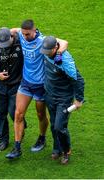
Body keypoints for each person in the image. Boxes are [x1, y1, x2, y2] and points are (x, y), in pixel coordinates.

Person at [6, 19, 68, 159]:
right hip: (26, 83)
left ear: (35, 31)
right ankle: (17, 148)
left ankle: (42, 138)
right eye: (24, 34)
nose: (25, 36)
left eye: (28, 34)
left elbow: (64, 43)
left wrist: (58, 54)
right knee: (18, 114)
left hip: (41, 86)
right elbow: (13, 30)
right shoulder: (21, 35)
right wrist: (0, 36)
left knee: (41, 115)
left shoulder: (42, 40)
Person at [40, 36, 85, 164]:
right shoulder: (48, 48)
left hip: (63, 99)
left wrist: (79, 100)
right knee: (54, 125)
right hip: (49, 95)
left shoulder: (65, 61)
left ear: (55, 48)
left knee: (60, 126)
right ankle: (57, 148)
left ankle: (66, 151)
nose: (46, 54)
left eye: (48, 51)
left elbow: (79, 80)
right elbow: (61, 40)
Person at [0, 27, 27, 151]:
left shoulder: (20, 43)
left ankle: (21, 126)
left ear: (12, 37)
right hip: (0, 86)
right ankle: (2, 140)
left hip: (16, 85)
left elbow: (29, 31)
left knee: (13, 111)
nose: (4, 46)